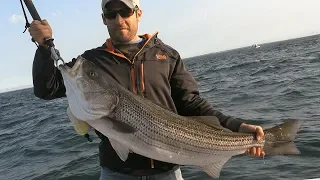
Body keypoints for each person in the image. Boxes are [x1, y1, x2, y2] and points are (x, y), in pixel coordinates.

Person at [28, 0, 265, 179]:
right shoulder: (91, 62)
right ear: (104, 19)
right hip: (116, 172)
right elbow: (47, 88)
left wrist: (238, 127)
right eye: (111, 13)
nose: (118, 19)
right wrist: (43, 48)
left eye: (125, 11)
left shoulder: (167, 56)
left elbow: (192, 104)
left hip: (167, 171)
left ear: (138, 13)